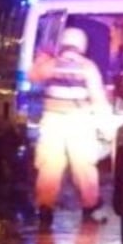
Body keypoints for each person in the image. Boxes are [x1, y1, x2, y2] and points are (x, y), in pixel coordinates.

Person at [28, 26, 112, 228]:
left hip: (52, 122)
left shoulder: (51, 65)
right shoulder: (88, 67)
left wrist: (42, 56)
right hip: (79, 123)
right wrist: (107, 128)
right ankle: (90, 205)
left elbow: (33, 75)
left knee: (50, 167)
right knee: (84, 167)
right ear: (82, 45)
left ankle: (45, 208)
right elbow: (98, 99)